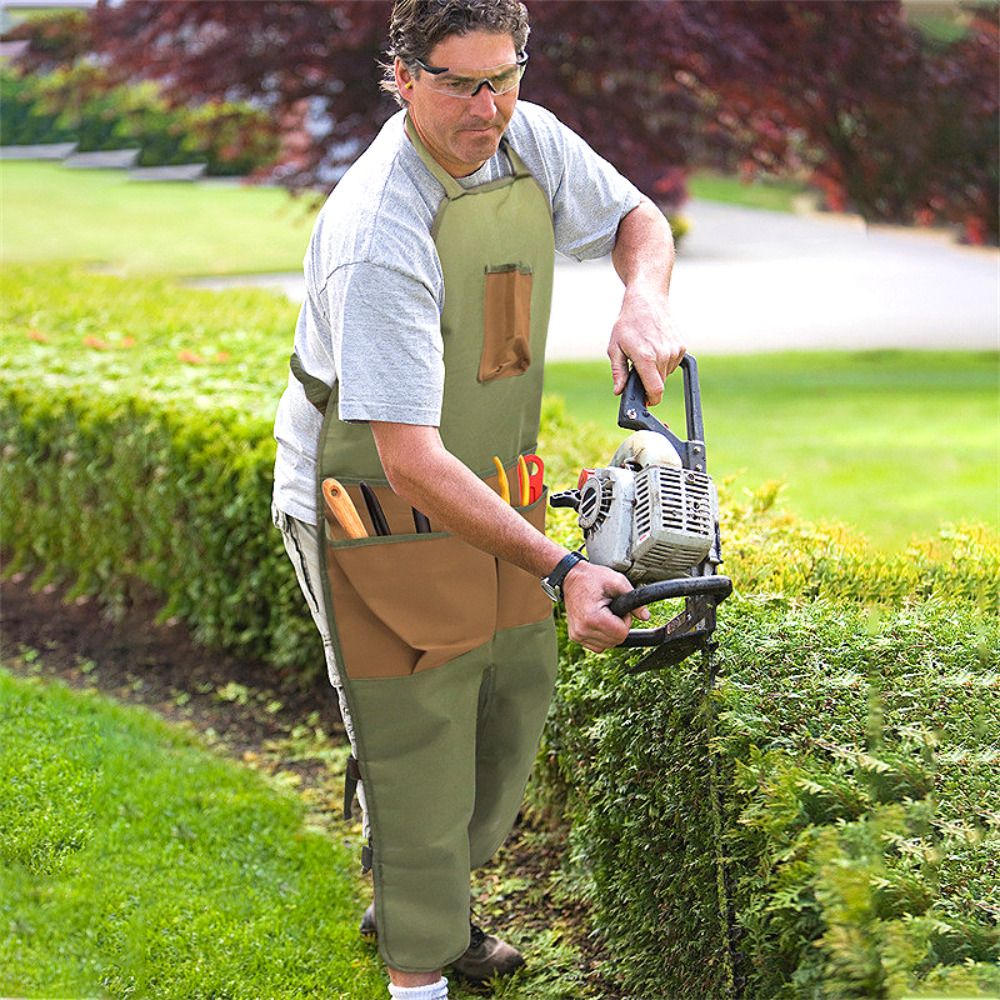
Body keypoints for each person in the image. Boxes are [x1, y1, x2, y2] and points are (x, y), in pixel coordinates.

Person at [271, 1, 683, 996]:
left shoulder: (519, 134)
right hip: (367, 489)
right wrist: (566, 567)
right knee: (417, 724)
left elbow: (638, 218)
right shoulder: (380, 230)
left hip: (490, 473)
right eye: (458, 82)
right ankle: (422, 949)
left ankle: (427, 884)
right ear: (402, 78)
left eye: (503, 76)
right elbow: (406, 459)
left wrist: (643, 295)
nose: (486, 107)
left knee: (506, 706)